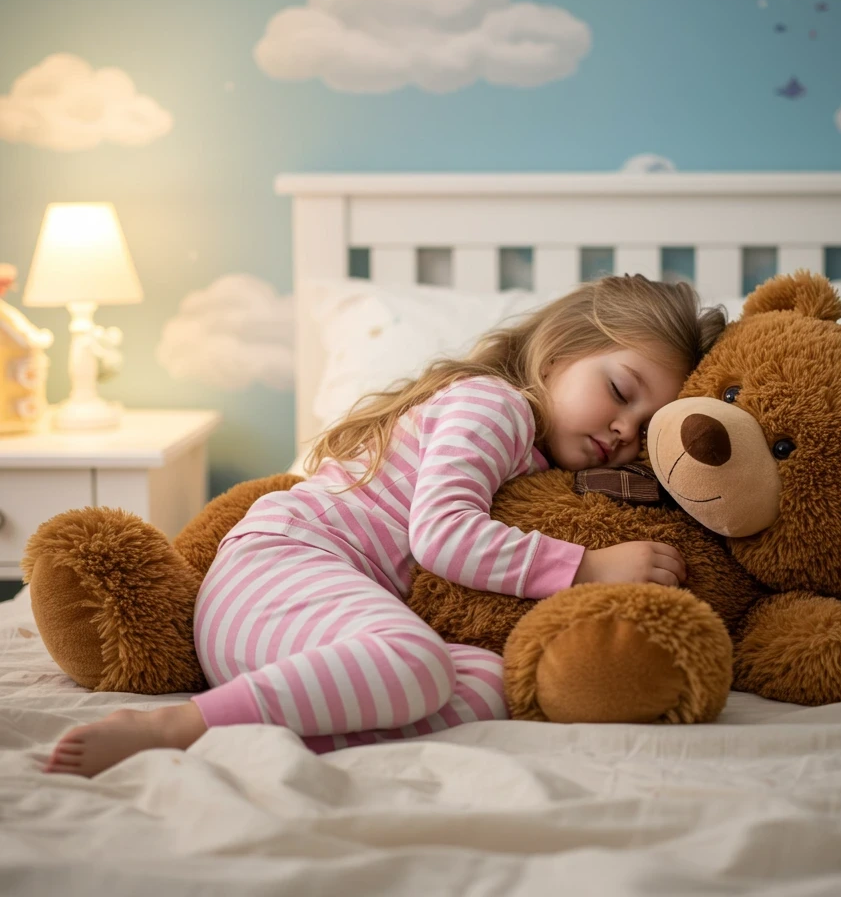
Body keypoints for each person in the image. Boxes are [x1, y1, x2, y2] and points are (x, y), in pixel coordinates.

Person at [44, 274, 727, 777]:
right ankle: (179, 725)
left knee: (491, 680)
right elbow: (443, 536)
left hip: (310, 632)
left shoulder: (534, 456)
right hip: (281, 568)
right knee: (416, 665)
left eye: (645, 431)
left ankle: (254, 736)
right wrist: (588, 567)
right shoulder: (494, 407)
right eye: (619, 391)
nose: (623, 430)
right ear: (557, 355)